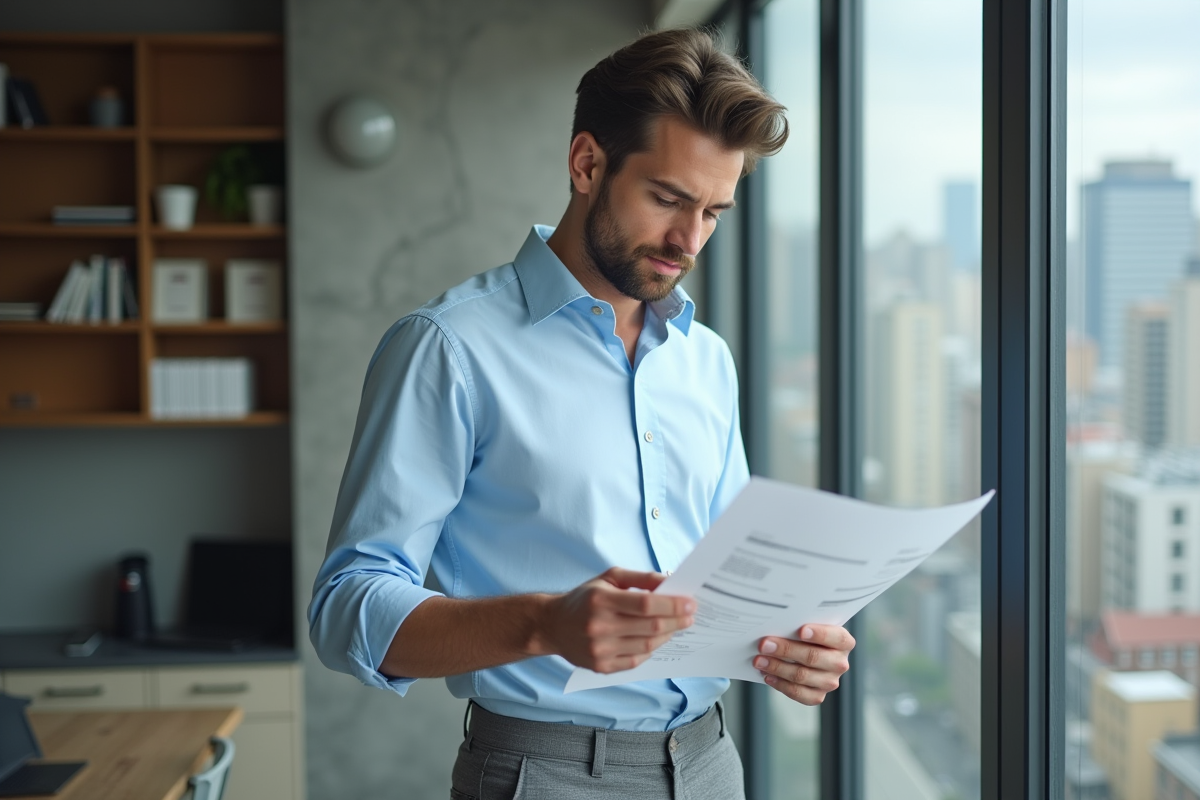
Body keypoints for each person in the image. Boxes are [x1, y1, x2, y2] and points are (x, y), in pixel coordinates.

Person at [309, 27, 855, 800]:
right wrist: (543, 625)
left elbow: (728, 579)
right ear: (587, 164)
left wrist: (793, 643)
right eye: (668, 199)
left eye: (713, 212)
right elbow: (346, 608)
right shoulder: (449, 348)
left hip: (711, 764)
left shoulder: (706, 359)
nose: (688, 241)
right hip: (546, 775)